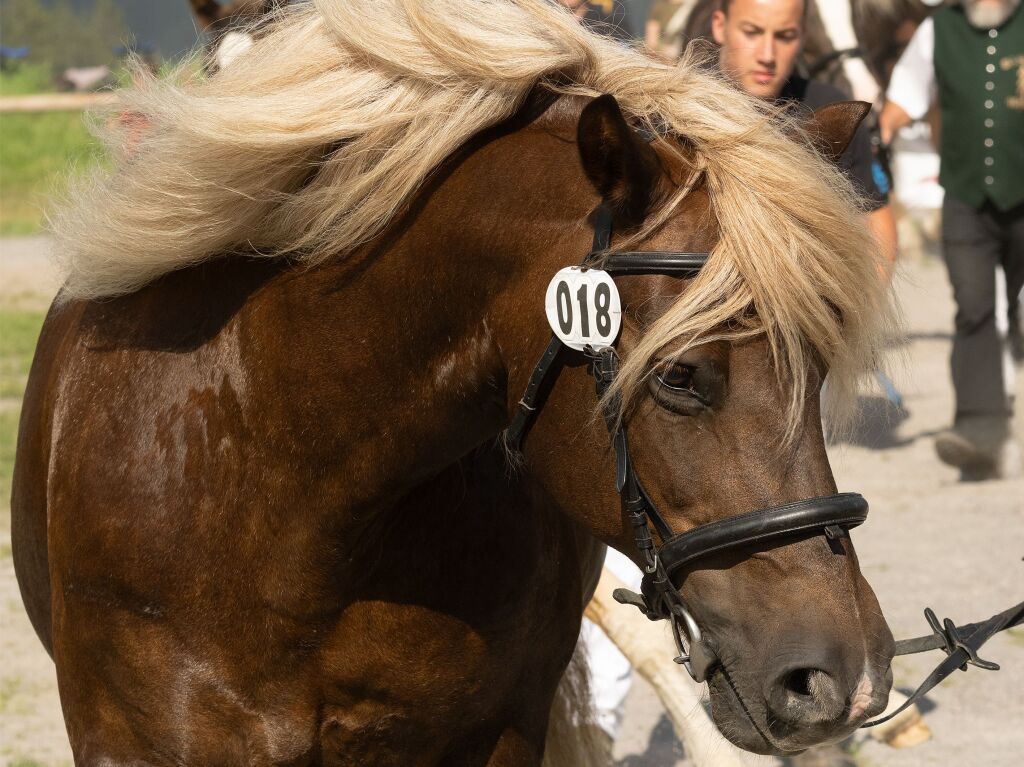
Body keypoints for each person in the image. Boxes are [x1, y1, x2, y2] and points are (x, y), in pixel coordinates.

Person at [880, 0, 1023, 479]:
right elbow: (903, 99)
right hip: (965, 198)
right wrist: (868, 141)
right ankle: (980, 431)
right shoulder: (937, 30)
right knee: (974, 306)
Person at [711, 0, 899, 269]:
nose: (767, 54)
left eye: (785, 36)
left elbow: (876, 220)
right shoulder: (674, 112)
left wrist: (863, 306)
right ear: (720, 26)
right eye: (752, 32)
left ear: (802, 37)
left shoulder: (834, 110)